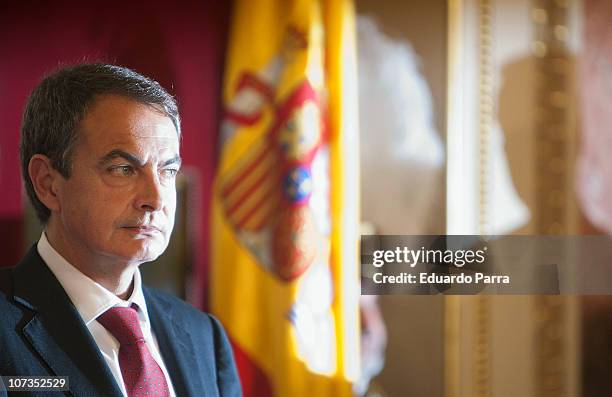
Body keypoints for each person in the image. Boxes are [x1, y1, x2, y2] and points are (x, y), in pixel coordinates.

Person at [0, 64, 242, 397]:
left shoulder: (204, 336)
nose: (155, 199)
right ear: (48, 184)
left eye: (168, 171)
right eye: (124, 169)